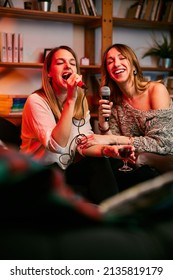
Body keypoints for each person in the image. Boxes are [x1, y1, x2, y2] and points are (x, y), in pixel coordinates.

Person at [20, 45, 135, 204]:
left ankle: (113, 211)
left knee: (100, 161)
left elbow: (84, 143)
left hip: (66, 170)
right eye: (60, 62)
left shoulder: (80, 101)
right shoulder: (36, 101)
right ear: (49, 72)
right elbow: (56, 145)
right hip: (40, 172)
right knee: (78, 192)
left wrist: (108, 150)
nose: (68, 66)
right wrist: (71, 99)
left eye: (72, 63)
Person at [82, 43, 173, 175]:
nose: (116, 64)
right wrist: (104, 124)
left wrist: (114, 140)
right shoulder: (113, 101)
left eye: (122, 58)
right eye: (110, 61)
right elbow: (114, 148)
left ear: (133, 65)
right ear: (108, 72)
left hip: (166, 159)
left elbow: (163, 144)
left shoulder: (156, 91)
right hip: (135, 164)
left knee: (141, 161)